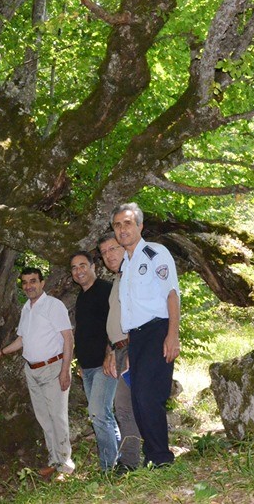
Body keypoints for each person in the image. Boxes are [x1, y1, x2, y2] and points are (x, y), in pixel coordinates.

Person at [0, 268, 75, 478]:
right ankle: (54, 460)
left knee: (57, 417)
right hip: (32, 370)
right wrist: (2, 352)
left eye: (33, 281)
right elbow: (22, 339)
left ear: (42, 283)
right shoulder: (26, 308)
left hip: (53, 368)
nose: (29, 286)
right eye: (25, 282)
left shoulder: (53, 305)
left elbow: (68, 338)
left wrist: (65, 370)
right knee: (44, 417)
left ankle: (66, 464)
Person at [112, 202, 180, 467]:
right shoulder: (126, 266)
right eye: (117, 225)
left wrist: (172, 335)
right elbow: (131, 312)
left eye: (128, 223)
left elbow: (172, 294)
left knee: (150, 396)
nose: (122, 229)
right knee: (138, 397)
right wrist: (131, 349)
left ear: (140, 226)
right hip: (137, 338)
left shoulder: (155, 253)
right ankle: (152, 457)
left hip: (157, 330)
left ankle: (161, 458)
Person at [70, 250, 120, 472]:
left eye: (82, 265)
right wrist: (80, 363)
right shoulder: (81, 296)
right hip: (88, 366)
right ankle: (119, 462)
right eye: (74, 268)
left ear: (93, 267)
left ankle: (108, 468)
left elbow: (116, 324)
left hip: (104, 363)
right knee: (103, 414)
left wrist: (111, 354)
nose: (78, 271)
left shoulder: (106, 290)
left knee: (98, 414)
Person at [98, 232, 143, 472]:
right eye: (104, 252)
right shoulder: (118, 279)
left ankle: (131, 462)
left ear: (124, 248)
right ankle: (131, 460)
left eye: (113, 249)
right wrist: (109, 351)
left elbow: (141, 314)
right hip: (119, 348)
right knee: (125, 407)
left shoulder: (135, 274)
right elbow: (114, 320)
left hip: (132, 346)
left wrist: (132, 350)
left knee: (126, 407)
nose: (108, 255)